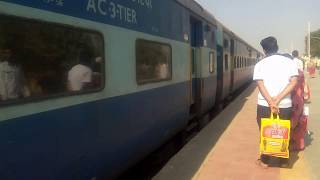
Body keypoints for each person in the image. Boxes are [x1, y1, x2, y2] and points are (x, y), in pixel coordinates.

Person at [253, 37, 298, 167]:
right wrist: (278, 99)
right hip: (284, 104)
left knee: (265, 131)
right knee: (283, 131)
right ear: (277, 46)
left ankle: (265, 160)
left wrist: (271, 102)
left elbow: (260, 84)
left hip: (264, 104)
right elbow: (293, 82)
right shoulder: (290, 63)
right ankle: (283, 161)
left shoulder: (260, 64)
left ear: (264, 49)